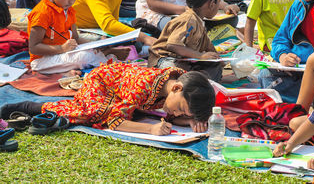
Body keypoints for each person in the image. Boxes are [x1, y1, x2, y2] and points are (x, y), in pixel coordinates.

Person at [0, 66, 216, 135]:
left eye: (182, 114)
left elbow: (174, 114)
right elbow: (115, 122)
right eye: (180, 109)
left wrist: (189, 121)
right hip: (102, 82)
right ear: (176, 88)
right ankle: (26, 107)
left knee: (136, 112)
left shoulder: (182, 84)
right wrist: (150, 130)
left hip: (123, 94)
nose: (175, 114)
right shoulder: (144, 86)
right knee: (91, 113)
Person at [27, 0, 127, 75]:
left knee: (92, 49)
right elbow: (34, 47)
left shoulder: (69, 10)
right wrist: (61, 48)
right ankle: (110, 66)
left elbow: (75, 38)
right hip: (41, 60)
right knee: (84, 56)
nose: (71, 1)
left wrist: (98, 44)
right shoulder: (42, 13)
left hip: (63, 52)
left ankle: (105, 56)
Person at [148, 0, 223, 82]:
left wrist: (218, 59)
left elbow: (208, 46)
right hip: (162, 60)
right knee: (175, 71)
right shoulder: (188, 19)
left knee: (214, 67)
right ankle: (193, 82)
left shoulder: (199, 22)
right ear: (212, 4)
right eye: (219, 2)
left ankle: (197, 81)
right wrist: (200, 56)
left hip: (183, 61)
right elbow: (173, 45)